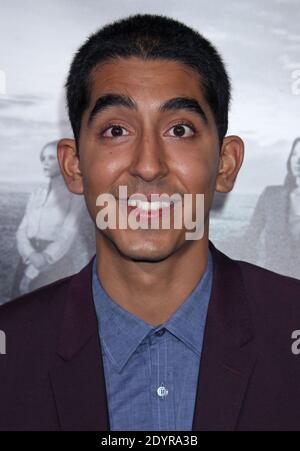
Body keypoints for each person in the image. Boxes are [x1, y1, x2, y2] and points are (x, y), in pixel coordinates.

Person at [1, 14, 300, 431]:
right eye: (116, 130)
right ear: (73, 167)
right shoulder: (10, 351)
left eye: (179, 129)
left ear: (226, 164)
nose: (147, 165)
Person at [11, 141, 91, 297]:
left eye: (51, 158)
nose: (45, 163)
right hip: (28, 257)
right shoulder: (37, 193)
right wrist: (30, 254)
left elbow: (68, 233)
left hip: (53, 263)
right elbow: (22, 230)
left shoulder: (75, 195)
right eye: (43, 158)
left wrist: (41, 261)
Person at [243, 137, 300, 278]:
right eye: (294, 154)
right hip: (272, 284)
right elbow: (250, 238)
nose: (297, 161)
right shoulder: (271, 195)